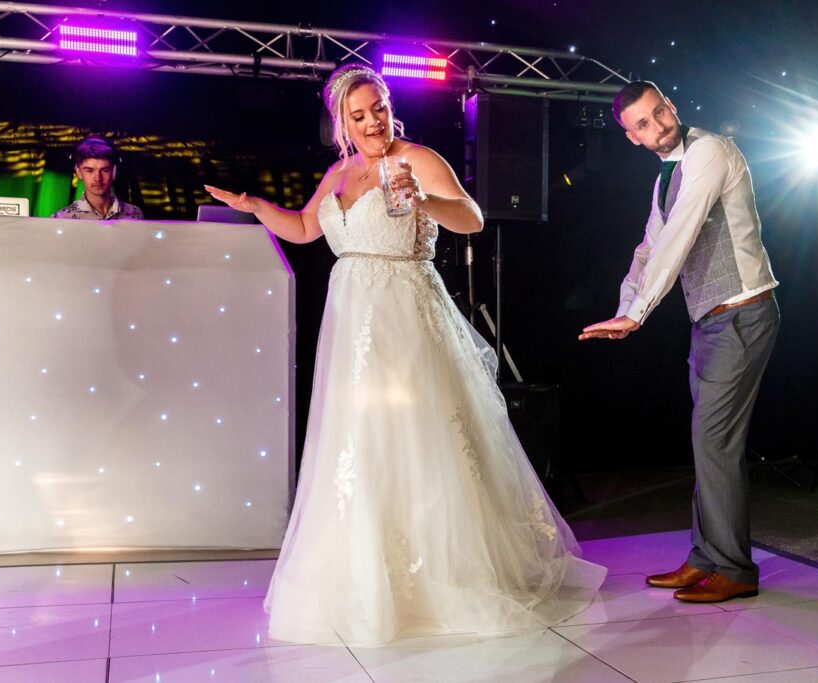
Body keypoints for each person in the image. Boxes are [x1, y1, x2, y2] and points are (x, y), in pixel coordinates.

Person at [205, 64, 606, 646]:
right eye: (358, 115)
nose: (372, 123)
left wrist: (423, 199)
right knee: (359, 444)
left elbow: (471, 218)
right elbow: (303, 230)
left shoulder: (418, 158)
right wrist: (254, 205)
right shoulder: (340, 171)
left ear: (390, 105)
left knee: (416, 440)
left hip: (404, 314)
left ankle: (438, 574)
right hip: (351, 320)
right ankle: (365, 575)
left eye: (378, 109)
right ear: (340, 122)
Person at [580, 81, 779, 603]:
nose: (658, 125)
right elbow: (649, 247)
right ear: (632, 138)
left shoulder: (710, 151)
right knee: (707, 443)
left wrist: (640, 313)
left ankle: (733, 568)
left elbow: (680, 235)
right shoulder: (665, 176)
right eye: (642, 123)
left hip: (742, 314)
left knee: (715, 443)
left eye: (658, 112)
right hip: (711, 321)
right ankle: (705, 559)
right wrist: (626, 309)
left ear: (671, 103)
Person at [52, 137, 143, 220]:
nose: (98, 178)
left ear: (114, 171)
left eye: (104, 170)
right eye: (89, 170)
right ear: (79, 172)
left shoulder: (134, 214)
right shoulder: (62, 218)